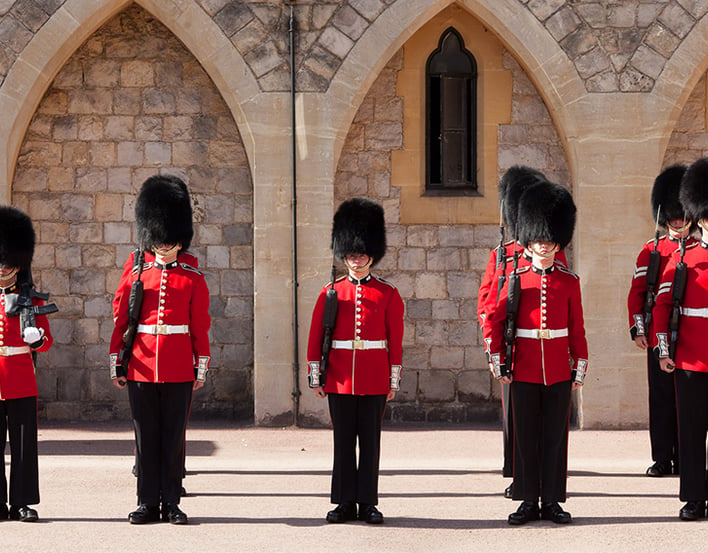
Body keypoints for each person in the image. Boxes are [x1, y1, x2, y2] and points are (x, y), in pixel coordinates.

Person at [110, 175, 210, 525]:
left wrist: (200, 368)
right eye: (160, 239)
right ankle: (147, 502)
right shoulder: (138, 272)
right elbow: (122, 318)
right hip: (140, 364)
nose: (165, 245)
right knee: (145, 435)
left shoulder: (191, 277)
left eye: (170, 240)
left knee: (172, 437)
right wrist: (117, 364)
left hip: (179, 365)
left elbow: (200, 327)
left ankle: (171, 502)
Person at [487, 182, 587, 525]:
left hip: (559, 368)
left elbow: (577, 328)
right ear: (529, 242)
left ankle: (553, 501)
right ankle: (527, 499)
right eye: (538, 240)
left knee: (555, 438)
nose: (544, 245)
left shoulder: (568, 281)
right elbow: (495, 320)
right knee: (525, 437)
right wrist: (498, 360)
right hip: (524, 367)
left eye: (549, 240)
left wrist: (580, 366)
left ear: (557, 243)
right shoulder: (515, 279)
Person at [307, 197, 404, 525]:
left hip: (375, 378)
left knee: (371, 443)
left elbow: (395, 340)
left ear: (371, 256)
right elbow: (315, 337)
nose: (355, 260)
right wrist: (316, 377)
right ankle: (345, 501)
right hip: (338, 378)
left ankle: (369, 502)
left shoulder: (387, 294)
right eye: (350, 255)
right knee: (343, 442)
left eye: (360, 254)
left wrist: (393, 380)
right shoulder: (330, 292)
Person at [477, 166, 567, 499]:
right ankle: (519, 475)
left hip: (543, 352)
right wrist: (494, 350)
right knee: (516, 418)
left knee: (544, 420)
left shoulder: (553, 254)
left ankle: (541, 481)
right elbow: (486, 301)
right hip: (513, 347)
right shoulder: (500, 255)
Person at [627, 164, 693, 478]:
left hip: (691, 336)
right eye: (674, 217)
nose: (679, 223)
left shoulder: (697, 250)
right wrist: (640, 330)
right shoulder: (651, 250)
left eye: (683, 217)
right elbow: (638, 293)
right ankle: (662, 457)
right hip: (658, 334)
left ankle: (685, 457)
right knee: (662, 398)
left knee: (687, 401)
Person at [655, 157, 708, 520]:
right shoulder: (684, 257)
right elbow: (661, 306)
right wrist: (663, 349)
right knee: (691, 434)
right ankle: (693, 497)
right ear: (701, 220)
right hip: (690, 357)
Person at [0, 206, 55, 522]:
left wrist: (35, 339)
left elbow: (46, 342)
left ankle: (21, 502)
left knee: (23, 447)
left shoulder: (30, 300)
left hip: (20, 378)